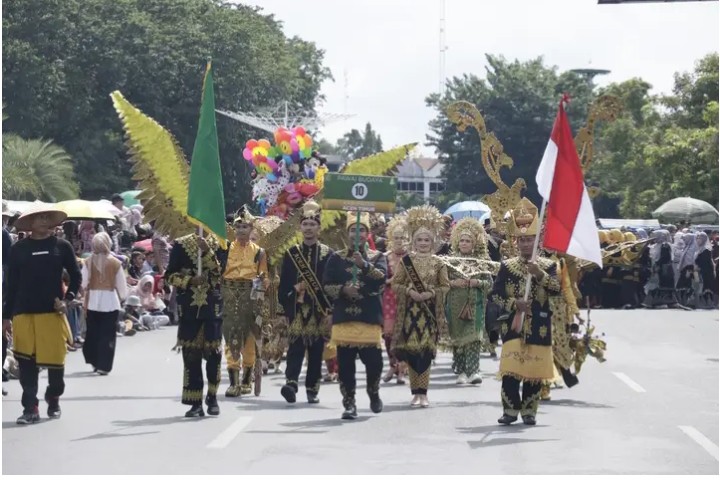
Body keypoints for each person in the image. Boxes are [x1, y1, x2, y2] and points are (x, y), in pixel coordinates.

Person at [3, 206, 81, 424]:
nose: (45, 221)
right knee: (26, 363)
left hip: (52, 314)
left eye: (47, 217)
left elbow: (75, 276)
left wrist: (67, 300)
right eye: (40, 217)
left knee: (56, 364)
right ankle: (31, 408)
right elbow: (11, 285)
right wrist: (5, 317)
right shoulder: (19, 249)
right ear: (30, 223)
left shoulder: (61, 246)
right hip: (23, 313)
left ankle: (53, 396)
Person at [489, 198, 560, 426]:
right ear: (516, 242)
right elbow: (496, 294)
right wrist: (513, 304)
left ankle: (529, 411)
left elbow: (556, 290)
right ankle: (510, 410)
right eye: (522, 240)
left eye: (530, 240)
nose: (526, 244)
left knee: (533, 369)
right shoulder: (507, 266)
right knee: (510, 369)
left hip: (539, 324)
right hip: (513, 324)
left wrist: (539, 274)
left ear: (537, 242)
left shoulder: (549, 266)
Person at [322, 212, 388, 420]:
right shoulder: (336, 258)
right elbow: (326, 285)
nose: (357, 234)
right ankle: (349, 403)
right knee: (346, 365)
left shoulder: (379, 257)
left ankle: (373, 391)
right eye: (353, 230)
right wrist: (342, 290)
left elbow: (381, 280)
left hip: (369, 316)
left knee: (374, 362)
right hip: (345, 318)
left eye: (361, 230)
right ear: (347, 232)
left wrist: (364, 266)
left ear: (367, 233)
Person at [391, 206, 450, 407]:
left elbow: (445, 286)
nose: (423, 243)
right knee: (411, 353)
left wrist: (431, 293)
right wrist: (409, 291)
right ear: (413, 242)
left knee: (425, 352)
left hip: (430, 314)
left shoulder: (439, 263)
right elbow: (395, 283)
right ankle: (415, 392)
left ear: (433, 242)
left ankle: (423, 393)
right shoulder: (406, 262)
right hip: (408, 314)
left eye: (427, 240)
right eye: (419, 240)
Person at [278, 201, 334, 404]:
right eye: (305, 224)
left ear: (319, 227)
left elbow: (332, 285)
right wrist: (292, 292)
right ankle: (291, 383)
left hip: (320, 310)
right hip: (298, 308)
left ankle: (312, 388)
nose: (309, 228)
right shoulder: (292, 253)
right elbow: (283, 283)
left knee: (316, 350)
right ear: (300, 227)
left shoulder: (328, 254)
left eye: (313, 224)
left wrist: (331, 311)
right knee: (295, 347)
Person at [165, 233, 224, 417]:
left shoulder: (221, 243)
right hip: (189, 309)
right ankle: (195, 402)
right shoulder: (181, 244)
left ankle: (212, 396)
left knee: (214, 355)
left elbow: (221, 274)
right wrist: (189, 281)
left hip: (212, 308)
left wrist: (207, 253)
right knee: (191, 356)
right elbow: (169, 276)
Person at [221, 206, 268, 397]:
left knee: (249, 340)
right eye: (238, 226)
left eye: (245, 227)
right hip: (229, 295)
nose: (241, 230)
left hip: (250, 297)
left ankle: (247, 379)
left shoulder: (260, 252)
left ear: (252, 229)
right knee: (231, 338)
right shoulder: (224, 248)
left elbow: (265, 277)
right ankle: (233, 382)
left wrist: (259, 293)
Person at [444, 217, 494, 386]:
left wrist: (477, 283)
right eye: (462, 240)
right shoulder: (449, 262)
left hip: (476, 304)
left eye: (468, 241)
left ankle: (474, 371)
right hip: (455, 304)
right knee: (458, 339)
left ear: (474, 244)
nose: (464, 243)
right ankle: (461, 371)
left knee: (474, 338)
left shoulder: (481, 262)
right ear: (457, 242)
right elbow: (441, 283)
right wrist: (453, 283)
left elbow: (490, 284)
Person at [81, 232, 127, 375]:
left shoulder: (88, 262)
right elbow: (122, 285)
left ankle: (94, 361)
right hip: (110, 301)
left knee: (93, 333)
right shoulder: (115, 263)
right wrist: (123, 297)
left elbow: (83, 283)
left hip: (93, 301)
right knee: (107, 334)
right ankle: (104, 365)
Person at [382, 214, 408, 385]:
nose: (399, 241)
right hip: (389, 299)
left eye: (402, 237)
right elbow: (380, 280)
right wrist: (392, 281)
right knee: (389, 335)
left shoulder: (412, 257)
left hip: (407, 299)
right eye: (396, 237)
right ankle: (393, 364)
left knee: (404, 334)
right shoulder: (384, 257)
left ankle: (402, 369)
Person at [690, 232, 717, 309]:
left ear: (704, 239)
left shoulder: (706, 250)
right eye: (697, 238)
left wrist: (698, 267)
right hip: (698, 271)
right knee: (697, 286)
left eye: (700, 238)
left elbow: (704, 262)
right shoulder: (698, 250)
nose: (698, 240)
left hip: (706, 272)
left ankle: (707, 303)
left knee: (706, 287)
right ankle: (697, 303)